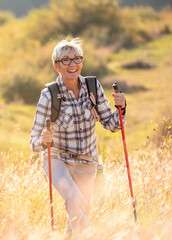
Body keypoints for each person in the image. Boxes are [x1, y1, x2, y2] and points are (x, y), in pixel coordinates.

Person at [30, 38, 126, 238]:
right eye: (66, 60)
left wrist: (121, 109)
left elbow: (112, 124)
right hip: (57, 159)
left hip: (87, 162)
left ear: (82, 62)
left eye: (77, 59)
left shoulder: (93, 87)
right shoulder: (49, 94)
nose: (72, 64)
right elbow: (34, 140)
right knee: (74, 199)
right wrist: (43, 139)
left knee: (78, 212)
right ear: (56, 66)